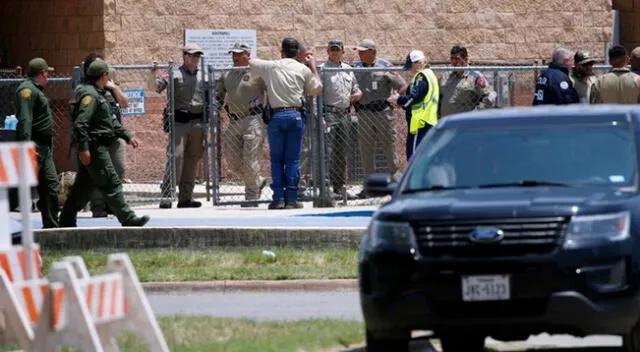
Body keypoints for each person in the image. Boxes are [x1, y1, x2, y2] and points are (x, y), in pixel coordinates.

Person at [59, 60, 149, 227]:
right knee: (112, 182)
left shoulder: (97, 92)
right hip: (95, 147)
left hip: (97, 145)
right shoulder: (90, 95)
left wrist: (127, 136)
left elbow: (110, 122)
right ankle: (128, 218)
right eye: (108, 74)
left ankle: (65, 220)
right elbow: (81, 124)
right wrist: (84, 149)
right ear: (103, 76)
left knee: (82, 189)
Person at [248, 37, 323, 209]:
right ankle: (291, 199)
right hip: (295, 115)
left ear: (281, 52)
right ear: (297, 53)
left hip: (277, 116)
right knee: (293, 160)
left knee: (276, 160)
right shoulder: (302, 69)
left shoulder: (271, 66)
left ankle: (278, 198)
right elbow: (317, 89)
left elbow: (250, 61)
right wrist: (312, 66)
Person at [149, 43, 207, 209]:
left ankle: (185, 198)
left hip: (198, 123)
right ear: (184, 56)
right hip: (179, 122)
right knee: (175, 157)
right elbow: (155, 88)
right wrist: (152, 74)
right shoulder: (173, 73)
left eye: (197, 56)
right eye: (192, 55)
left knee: (192, 160)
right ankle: (167, 196)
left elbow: (212, 99)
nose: (195, 58)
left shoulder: (204, 76)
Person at [216, 42, 267, 207]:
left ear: (247, 55)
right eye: (233, 54)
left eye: (239, 54)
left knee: (251, 159)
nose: (235, 57)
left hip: (254, 119)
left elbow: (271, 90)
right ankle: (257, 180)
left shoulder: (257, 72)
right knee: (232, 160)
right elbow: (217, 95)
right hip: (234, 120)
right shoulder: (226, 74)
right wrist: (212, 110)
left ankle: (251, 197)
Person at [14, 57, 59, 228]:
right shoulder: (27, 90)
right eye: (47, 73)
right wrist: (26, 147)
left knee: (51, 185)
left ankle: (52, 226)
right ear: (41, 73)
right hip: (34, 145)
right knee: (20, 187)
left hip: (43, 147)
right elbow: (25, 120)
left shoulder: (35, 89)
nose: (48, 76)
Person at [352, 39, 405, 184]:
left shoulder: (385, 66)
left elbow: (402, 85)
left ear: (373, 51)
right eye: (359, 52)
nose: (360, 54)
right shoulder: (355, 68)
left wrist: (398, 97)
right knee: (366, 149)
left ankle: (396, 180)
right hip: (364, 113)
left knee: (389, 146)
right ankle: (370, 184)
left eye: (363, 51)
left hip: (383, 112)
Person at [88, 61, 130, 217]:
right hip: (99, 136)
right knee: (99, 172)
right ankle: (98, 206)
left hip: (115, 136)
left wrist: (115, 88)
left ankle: (112, 205)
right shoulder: (93, 92)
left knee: (119, 169)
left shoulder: (113, 91)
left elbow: (125, 103)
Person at [321, 40, 362, 197]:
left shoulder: (348, 69)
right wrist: (322, 117)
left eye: (337, 50)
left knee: (341, 150)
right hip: (329, 113)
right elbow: (318, 94)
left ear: (343, 52)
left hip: (345, 113)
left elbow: (356, 89)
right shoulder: (323, 70)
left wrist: (357, 95)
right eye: (332, 49)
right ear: (328, 51)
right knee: (328, 150)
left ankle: (339, 186)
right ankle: (326, 186)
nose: (335, 52)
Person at [393, 50, 439, 161]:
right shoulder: (430, 74)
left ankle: (414, 179)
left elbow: (415, 97)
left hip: (420, 123)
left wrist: (398, 100)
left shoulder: (421, 77)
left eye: (411, 66)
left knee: (414, 159)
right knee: (424, 158)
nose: (410, 69)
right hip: (428, 122)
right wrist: (404, 104)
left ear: (417, 63)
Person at [440, 45, 496, 117]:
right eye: (452, 58)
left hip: (464, 123)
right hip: (447, 122)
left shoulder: (475, 77)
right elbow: (439, 96)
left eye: (457, 59)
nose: (454, 62)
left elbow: (490, 96)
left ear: (465, 60)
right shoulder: (446, 75)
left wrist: (475, 115)